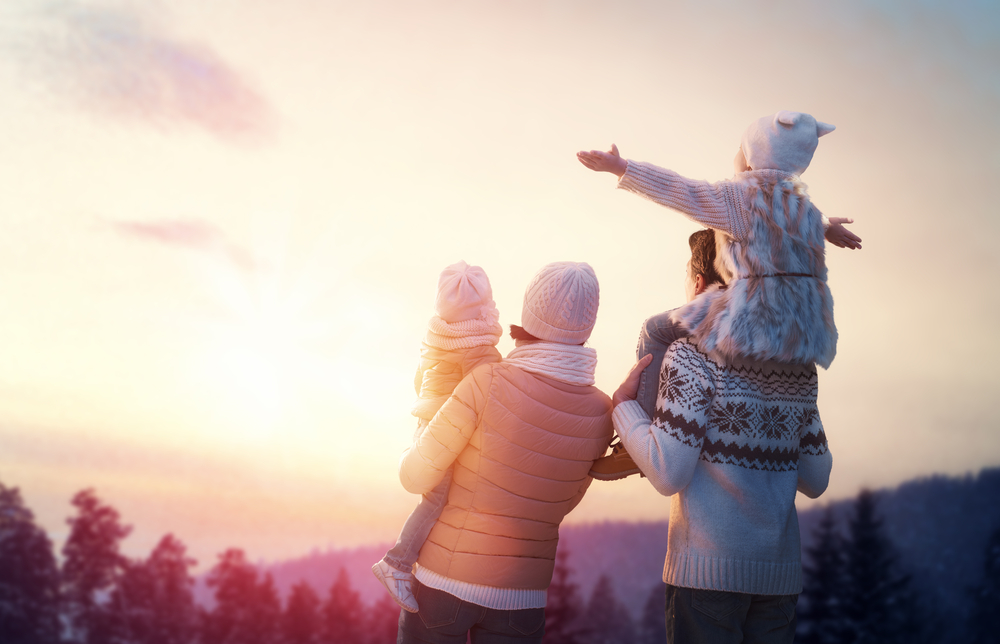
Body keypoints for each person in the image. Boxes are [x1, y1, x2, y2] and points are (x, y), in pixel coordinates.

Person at [580, 111, 844, 641]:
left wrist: (625, 409)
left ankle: (635, 436)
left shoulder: (695, 357)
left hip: (708, 579)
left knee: (657, 333)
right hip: (778, 581)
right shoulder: (799, 373)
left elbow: (671, 474)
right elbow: (816, 479)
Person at [396, 261, 613, 644]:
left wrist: (422, 421)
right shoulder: (601, 412)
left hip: (442, 583)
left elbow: (414, 477)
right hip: (523, 601)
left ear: (529, 310)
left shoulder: (487, 381)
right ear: (588, 326)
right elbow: (562, 501)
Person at [373, 261, 503, 613]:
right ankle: (397, 563)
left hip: (426, 425)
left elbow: (420, 381)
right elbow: (492, 392)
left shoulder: (438, 339)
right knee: (437, 499)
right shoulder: (477, 349)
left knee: (436, 498)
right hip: (446, 433)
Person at [589, 228, 723, 480]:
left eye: (686, 275)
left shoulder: (685, 354)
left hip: (728, 303)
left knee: (654, 328)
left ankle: (640, 436)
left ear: (697, 282)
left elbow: (668, 477)